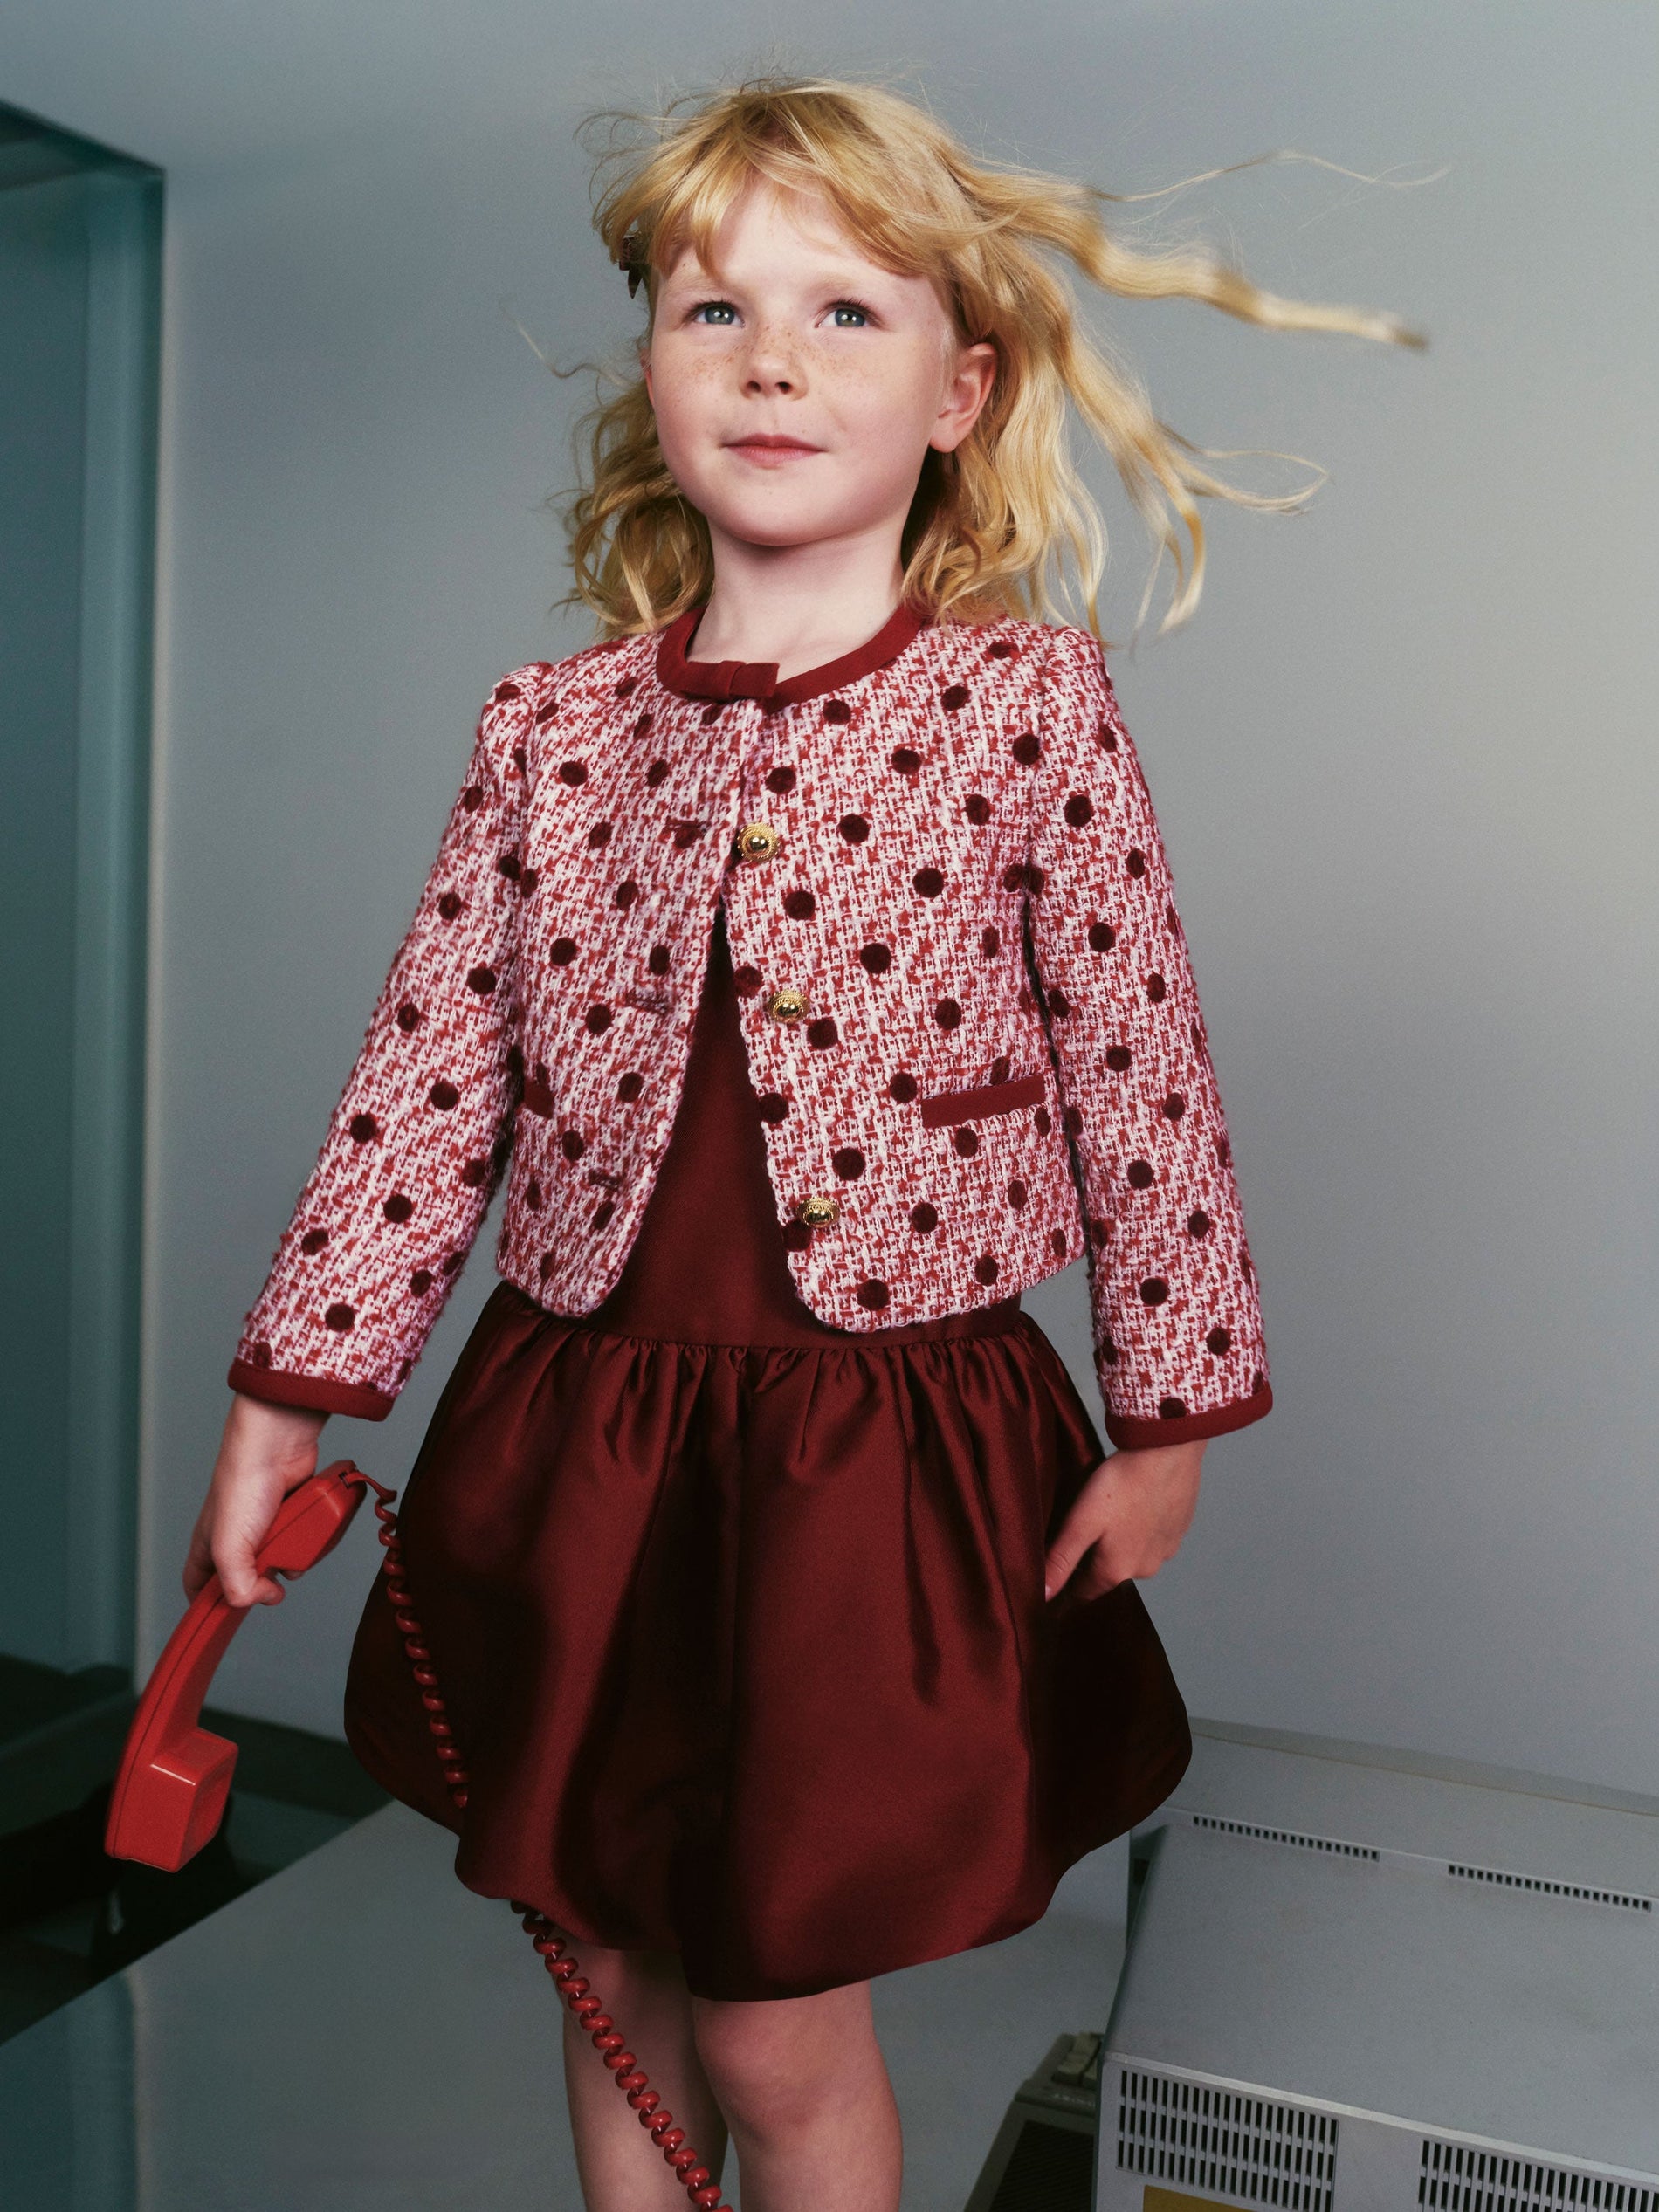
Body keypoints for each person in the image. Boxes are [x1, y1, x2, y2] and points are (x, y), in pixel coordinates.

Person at [185, 76, 1416, 2212]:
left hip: (873, 1457)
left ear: (957, 390)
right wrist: (282, 1402)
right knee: (604, 1959)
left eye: (842, 311)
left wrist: (1165, 1419)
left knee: (771, 2015)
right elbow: (423, 1074)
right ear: (652, 370)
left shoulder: (1022, 705)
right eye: (714, 310)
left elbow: (1139, 1061)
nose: (769, 359)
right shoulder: (551, 728)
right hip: (585, 1430)